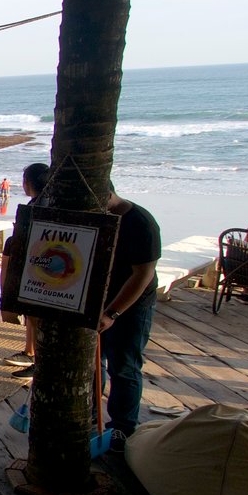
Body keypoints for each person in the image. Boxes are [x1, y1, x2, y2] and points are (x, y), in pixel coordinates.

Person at [97, 184, 162, 449]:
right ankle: (91, 414)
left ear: (109, 195)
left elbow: (142, 275)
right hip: (100, 300)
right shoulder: (100, 218)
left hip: (132, 304)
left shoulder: (140, 223)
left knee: (124, 365)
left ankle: (123, 427)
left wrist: (113, 312)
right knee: (94, 361)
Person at [0, 162, 51, 377]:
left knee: (36, 316)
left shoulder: (37, 206)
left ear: (27, 183)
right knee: (31, 315)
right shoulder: (43, 202)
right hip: (43, 264)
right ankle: (30, 353)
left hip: (37, 266)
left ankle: (38, 360)